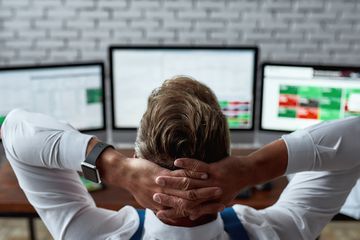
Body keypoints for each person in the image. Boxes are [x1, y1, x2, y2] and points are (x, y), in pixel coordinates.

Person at [0, 76, 359, 240]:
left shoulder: (89, 234)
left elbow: (16, 129)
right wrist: (253, 169)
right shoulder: (283, 230)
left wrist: (116, 167)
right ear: (228, 159)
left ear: (139, 156)